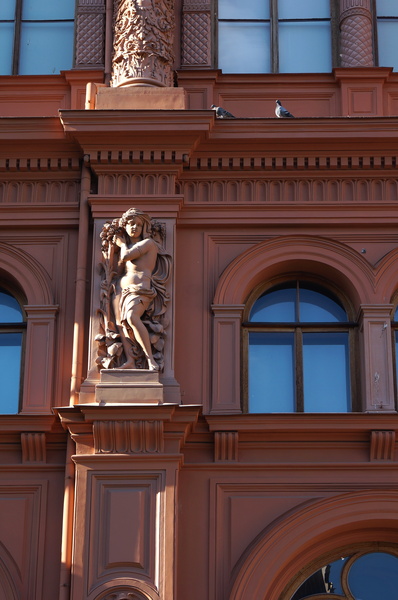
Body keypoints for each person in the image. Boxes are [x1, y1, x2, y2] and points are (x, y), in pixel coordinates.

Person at [111, 208, 168, 371]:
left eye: (138, 224)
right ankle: (130, 360)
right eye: (130, 224)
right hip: (123, 290)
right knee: (122, 324)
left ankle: (150, 360)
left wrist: (121, 244)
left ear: (144, 228)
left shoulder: (148, 244)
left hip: (140, 289)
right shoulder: (134, 245)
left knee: (132, 317)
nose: (134, 227)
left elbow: (125, 256)